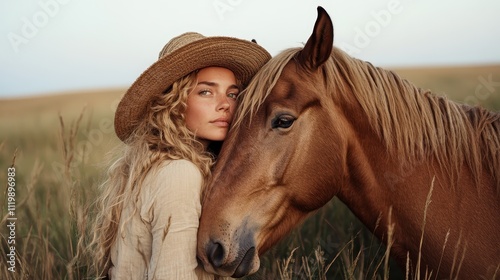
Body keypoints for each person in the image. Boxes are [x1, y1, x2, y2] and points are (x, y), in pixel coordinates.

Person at [88, 32, 271, 279]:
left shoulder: (165, 163)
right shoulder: (180, 173)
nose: (225, 104)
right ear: (174, 101)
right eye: (206, 92)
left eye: (232, 94)